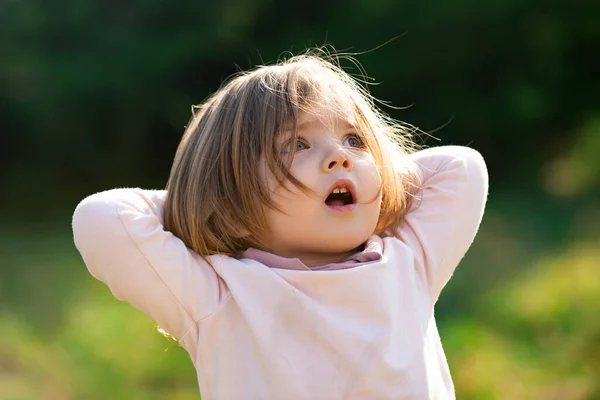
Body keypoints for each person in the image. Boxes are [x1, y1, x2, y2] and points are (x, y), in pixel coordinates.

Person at [72, 49, 488, 399]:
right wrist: (214, 199)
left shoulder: (409, 261)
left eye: (355, 141)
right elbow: (101, 220)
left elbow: (461, 167)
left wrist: (380, 179)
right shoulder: (220, 296)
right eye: (297, 145)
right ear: (230, 196)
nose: (340, 157)